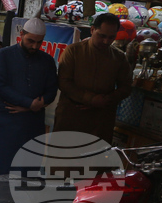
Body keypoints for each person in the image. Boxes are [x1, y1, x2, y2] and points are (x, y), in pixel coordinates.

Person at [0, 17, 59, 175]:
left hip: (31, 123)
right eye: (30, 41)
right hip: (4, 119)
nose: (34, 46)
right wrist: (29, 104)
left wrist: (35, 105)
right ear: (21, 34)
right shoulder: (3, 55)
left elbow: (51, 90)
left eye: (39, 42)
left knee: (26, 169)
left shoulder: (47, 61)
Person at [53, 13, 132, 143]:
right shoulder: (73, 51)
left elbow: (126, 87)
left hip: (101, 120)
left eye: (111, 37)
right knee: (64, 159)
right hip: (71, 117)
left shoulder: (119, 58)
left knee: (94, 160)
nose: (106, 41)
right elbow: (63, 82)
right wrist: (89, 99)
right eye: (102, 36)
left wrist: (105, 100)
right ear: (92, 30)